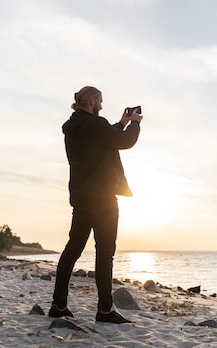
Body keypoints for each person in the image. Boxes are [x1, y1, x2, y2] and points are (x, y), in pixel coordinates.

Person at [50, 86, 142, 324]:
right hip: (102, 197)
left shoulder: (74, 126)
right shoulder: (95, 125)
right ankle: (104, 310)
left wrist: (121, 122)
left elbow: (103, 138)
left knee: (73, 249)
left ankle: (58, 305)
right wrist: (134, 124)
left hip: (82, 197)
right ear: (92, 100)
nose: (101, 105)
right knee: (105, 253)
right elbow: (124, 142)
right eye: (100, 101)